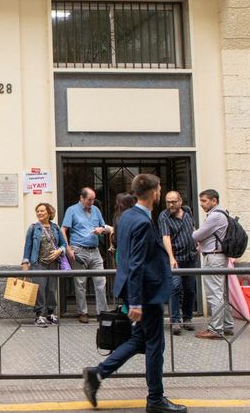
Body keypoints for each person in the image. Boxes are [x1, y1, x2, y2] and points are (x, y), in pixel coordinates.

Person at [83, 174, 186, 413]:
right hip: (146, 293)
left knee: (139, 339)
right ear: (154, 192)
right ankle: (155, 399)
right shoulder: (141, 221)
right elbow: (137, 262)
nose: (160, 192)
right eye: (159, 189)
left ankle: (96, 374)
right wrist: (137, 302)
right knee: (155, 345)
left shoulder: (127, 216)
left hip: (134, 289)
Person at [62, 187, 111, 323]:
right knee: (80, 283)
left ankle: (102, 312)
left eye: (93, 200)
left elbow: (105, 227)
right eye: (89, 200)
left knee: (101, 281)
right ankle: (82, 312)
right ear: (81, 198)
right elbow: (63, 229)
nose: (92, 202)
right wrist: (68, 248)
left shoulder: (96, 210)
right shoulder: (72, 210)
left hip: (95, 251)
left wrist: (101, 229)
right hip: (79, 250)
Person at [192, 189, 234, 339]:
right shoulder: (222, 214)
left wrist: (194, 232)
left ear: (214, 201)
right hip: (218, 257)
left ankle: (216, 329)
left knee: (214, 294)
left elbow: (196, 235)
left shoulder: (215, 216)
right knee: (221, 293)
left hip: (214, 258)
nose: (201, 204)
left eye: (204, 201)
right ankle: (227, 325)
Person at [21, 202, 68, 327]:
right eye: (38, 211)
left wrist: (59, 251)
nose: (39, 213)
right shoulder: (33, 228)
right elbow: (27, 246)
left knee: (52, 290)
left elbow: (64, 244)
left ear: (49, 213)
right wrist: (25, 263)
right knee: (39, 290)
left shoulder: (56, 228)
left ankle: (50, 313)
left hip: (53, 264)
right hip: (38, 263)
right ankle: (39, 316)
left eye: (42, 211)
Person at [159, 191, 199, 336]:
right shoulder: (164, 216)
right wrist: (171, 257)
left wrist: (198, 242)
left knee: (190, 289)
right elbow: (166, 237)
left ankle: (187, 318)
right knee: (175, 287)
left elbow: (193, 229)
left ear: (180, 201)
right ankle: (175, 320)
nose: (170, 204)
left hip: (190, 257)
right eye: (168, 202)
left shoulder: (187, 212)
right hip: (176, 258)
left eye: (173, 202)